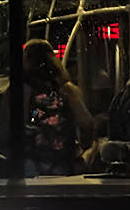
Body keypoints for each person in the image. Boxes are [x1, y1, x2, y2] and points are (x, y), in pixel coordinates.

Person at [22, 39, 93, 175]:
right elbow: (86, 123)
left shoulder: (18, 92)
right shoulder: (67, 90)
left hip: (27, 165)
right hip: (63, 165)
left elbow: (4, 130)